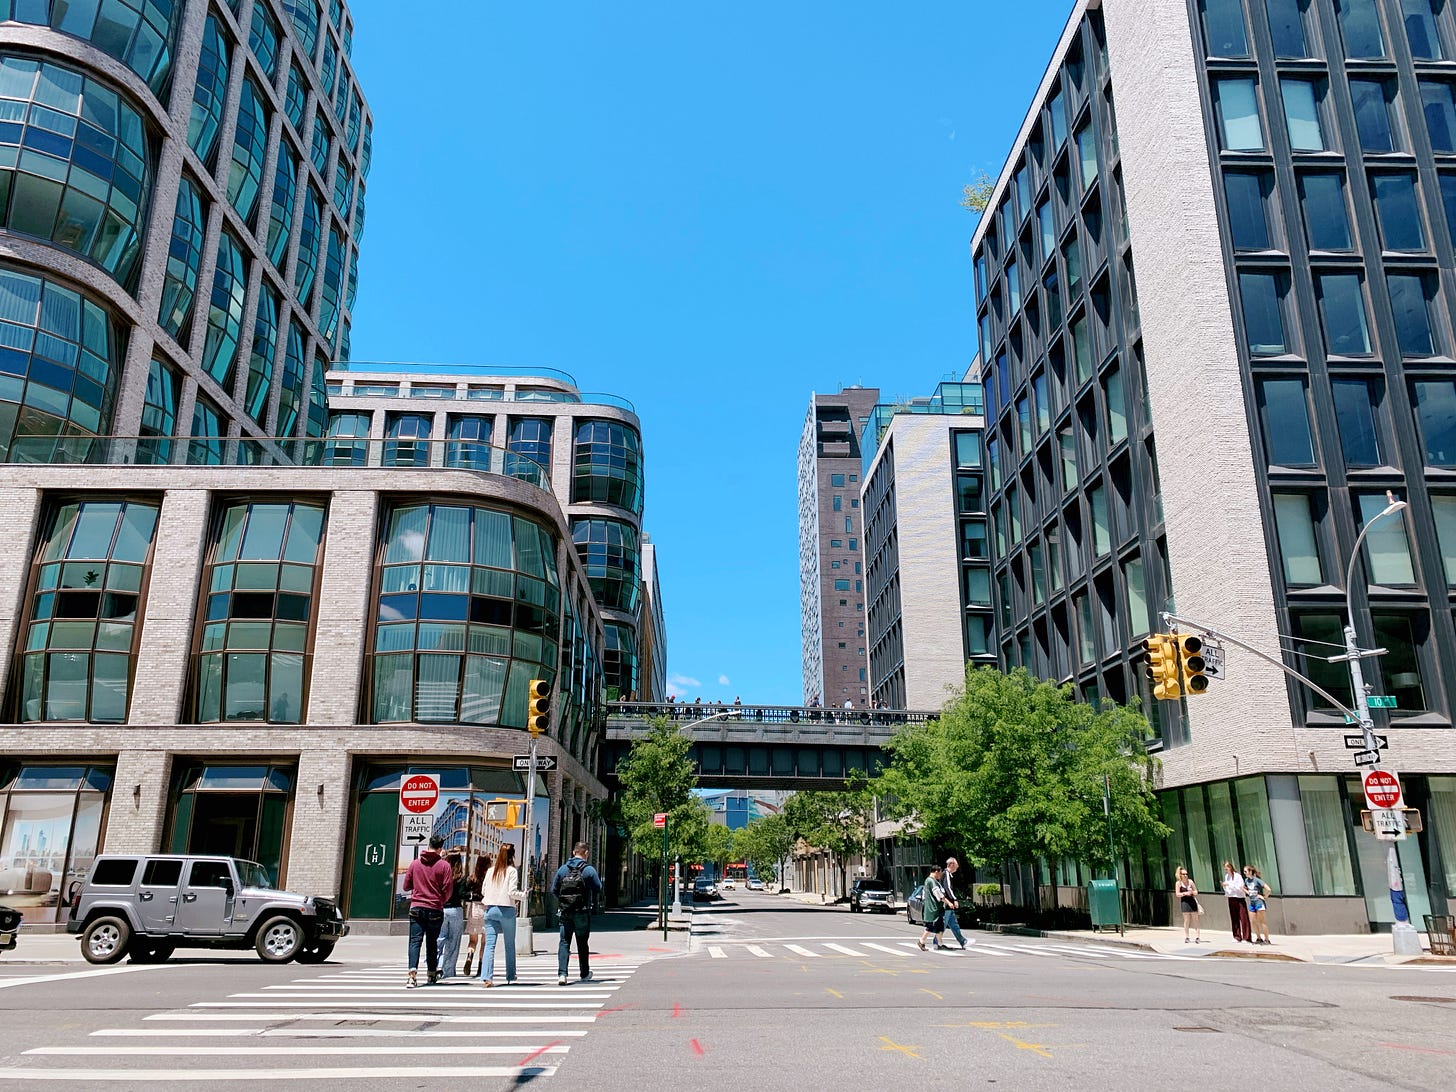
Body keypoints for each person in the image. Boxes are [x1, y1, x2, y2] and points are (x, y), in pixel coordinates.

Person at [403, 834, 453, 987]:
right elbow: (448, 889)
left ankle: (412, 975)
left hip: (417, 907)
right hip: (435, 908)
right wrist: (440, 900)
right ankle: (431, 974)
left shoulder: (415, 864)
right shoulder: (444, 866)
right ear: (440, 849)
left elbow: (406, 886)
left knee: (415, 941)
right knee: (432, 943)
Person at [552, 841, 603, 985]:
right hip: (582, 912)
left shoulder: (562, 869)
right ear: (586, 853)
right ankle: (584, 973)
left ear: (573, 852)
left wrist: (564, 901)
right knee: (582, 943)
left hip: (565, 912)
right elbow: (598, 887)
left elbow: (554, 890)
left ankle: (562, 974)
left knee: (564, 942)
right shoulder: (589, 870)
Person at [479, 844, 524, 986]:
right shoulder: (512, 871)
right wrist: (523, 895)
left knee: (489, 945)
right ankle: (510, 974)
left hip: (490, 909)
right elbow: (511, 892)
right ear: (513, 856)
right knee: (509, 944)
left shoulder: (490, 871)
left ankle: (487, 977)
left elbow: (483, 891)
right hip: (506, 910)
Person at [437, 852, 466, 978]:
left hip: (442, 909)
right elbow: (462, 894)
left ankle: (433, 967)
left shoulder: (442, 875)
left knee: (439, 939)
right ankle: (448, 971)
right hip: (456, 910)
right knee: (453, 943)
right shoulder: (461, 877)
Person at [461, 855, 488, 978]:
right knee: (484, 942)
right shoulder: (489, 877)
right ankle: (481, 967)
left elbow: (464, 894)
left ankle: (470, 956)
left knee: (473, 940)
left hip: (474, 909)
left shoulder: (472, 878)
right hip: (486, 908)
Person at [916, 865, 947, 951]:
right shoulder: (931, 881)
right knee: (931, 926)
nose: (940, 875)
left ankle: (940, 944)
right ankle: (921, 941)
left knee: (939, 927)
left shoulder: (929, 881)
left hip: (935, 908)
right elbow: (938, 894)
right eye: (940, 873)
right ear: (936, 872)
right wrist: (948, 902)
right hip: (933, 909)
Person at [940, 858, 968, 950]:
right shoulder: (946, 874)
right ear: (951, 865)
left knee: (954, 924)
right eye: (956, 865)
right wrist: (954, 899)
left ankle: (962, 941)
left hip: (949, 905)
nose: (957, 867)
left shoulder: (947, 874)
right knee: (943, 925)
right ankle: (936, 943)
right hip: (947, 904)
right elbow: (948, 888)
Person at [1221, 861, 1251, 943]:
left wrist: (1229, 885)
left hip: (1239, 898)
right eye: (1225, 869)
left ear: (1230, 867)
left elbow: (1240, 887)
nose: (1226, 870)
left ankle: (1247, 937)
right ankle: (1237, 936)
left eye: (1227, 868)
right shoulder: (1227, 876)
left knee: (1243, 917)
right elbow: (1227, 889)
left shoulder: (1238, 876)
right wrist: (1225, 887)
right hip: (1231, 897)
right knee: (1234, 918)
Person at [1244, 865, 1273, 945]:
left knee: (1262, 921)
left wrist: (1264, 897)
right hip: (1252, 902)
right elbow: (1243, 888)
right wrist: (1248, 893)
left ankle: (1267, 939)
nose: (1245, 873)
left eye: (1246, 871)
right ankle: (1258, 938)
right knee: (1253, 921)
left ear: (1250, 872)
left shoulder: (1257, 880)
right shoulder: (1246, 880)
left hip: (1259, 902)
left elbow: (1268, 889)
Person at [1174, 866, 1202, 944]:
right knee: (1186, 920)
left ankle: (1197, 937)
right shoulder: (1178, 883)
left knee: (1195, 920)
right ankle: (1187, 936)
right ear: (1180, 875)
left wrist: (1192, 892)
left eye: (1186, 874)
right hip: (1184, 902)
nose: (1185, 875)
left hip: (1192, 901)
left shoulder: (1190, 882)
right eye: (1183, 874)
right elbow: (1177, 894)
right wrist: (1185, 893)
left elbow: (1196, 891)